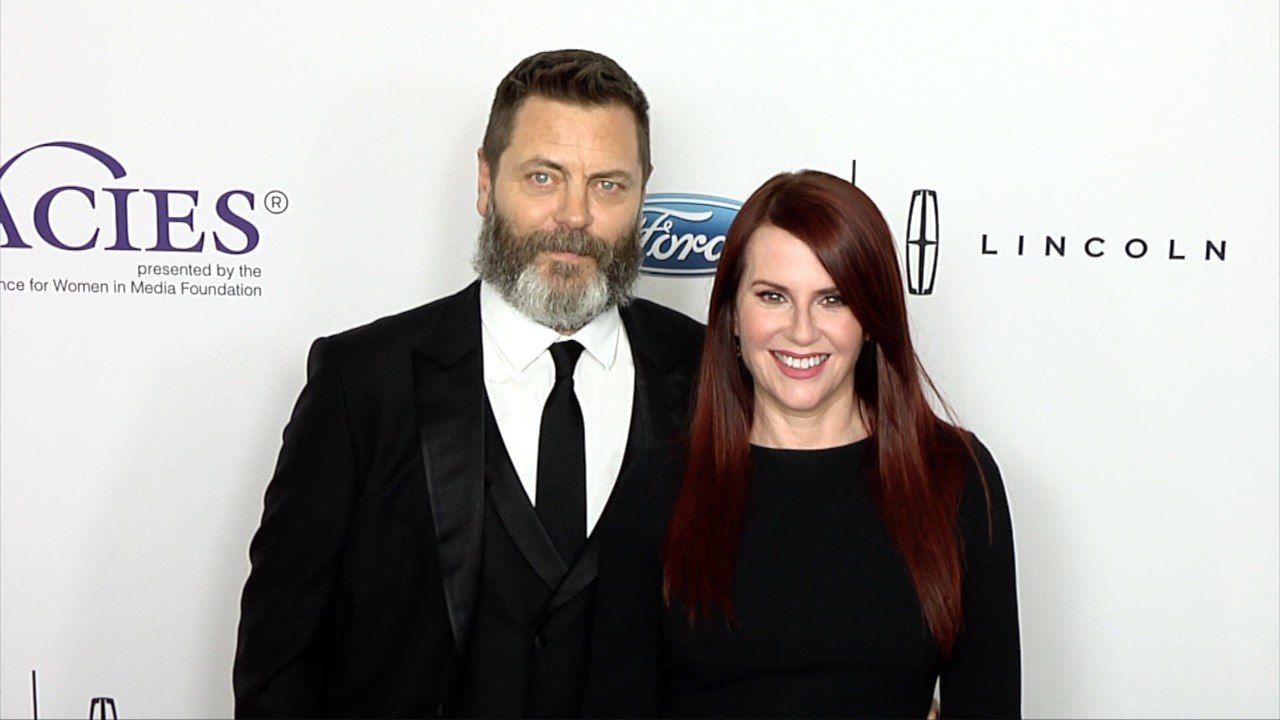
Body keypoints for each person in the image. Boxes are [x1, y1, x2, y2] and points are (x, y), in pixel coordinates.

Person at [232, 49, 704, 718]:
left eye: (607, 185)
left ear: (641, 195)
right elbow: (278, 664)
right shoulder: (362, 384)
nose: (574, 214)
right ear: (486, 181)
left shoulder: (706, 375)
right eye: (544, 177)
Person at [585, 170, 1021, 718]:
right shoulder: (659, 488)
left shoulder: (954, 477)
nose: (801, 331)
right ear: (733, 317)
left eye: (832, 299)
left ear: (871, 317)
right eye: (773, 296)